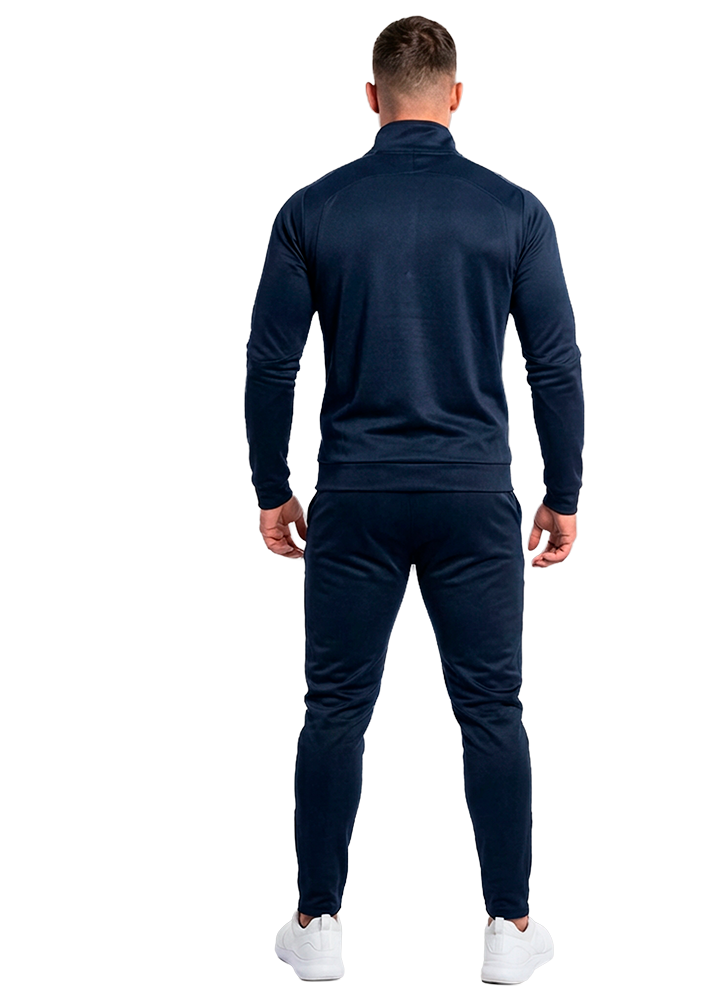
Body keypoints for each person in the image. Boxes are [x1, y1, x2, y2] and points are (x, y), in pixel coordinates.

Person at [245, 15, 583, 985]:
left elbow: (270, 364)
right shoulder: (513, 209)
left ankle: (315, 926)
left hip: (355, 492)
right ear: (456, 96)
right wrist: (563, 492)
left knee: (333, 709)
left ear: (371, 96)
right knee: (493, 709)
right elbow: (554, 365)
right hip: (474, 493)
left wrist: (273, 488)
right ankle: (510, 929)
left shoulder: (312, 208)